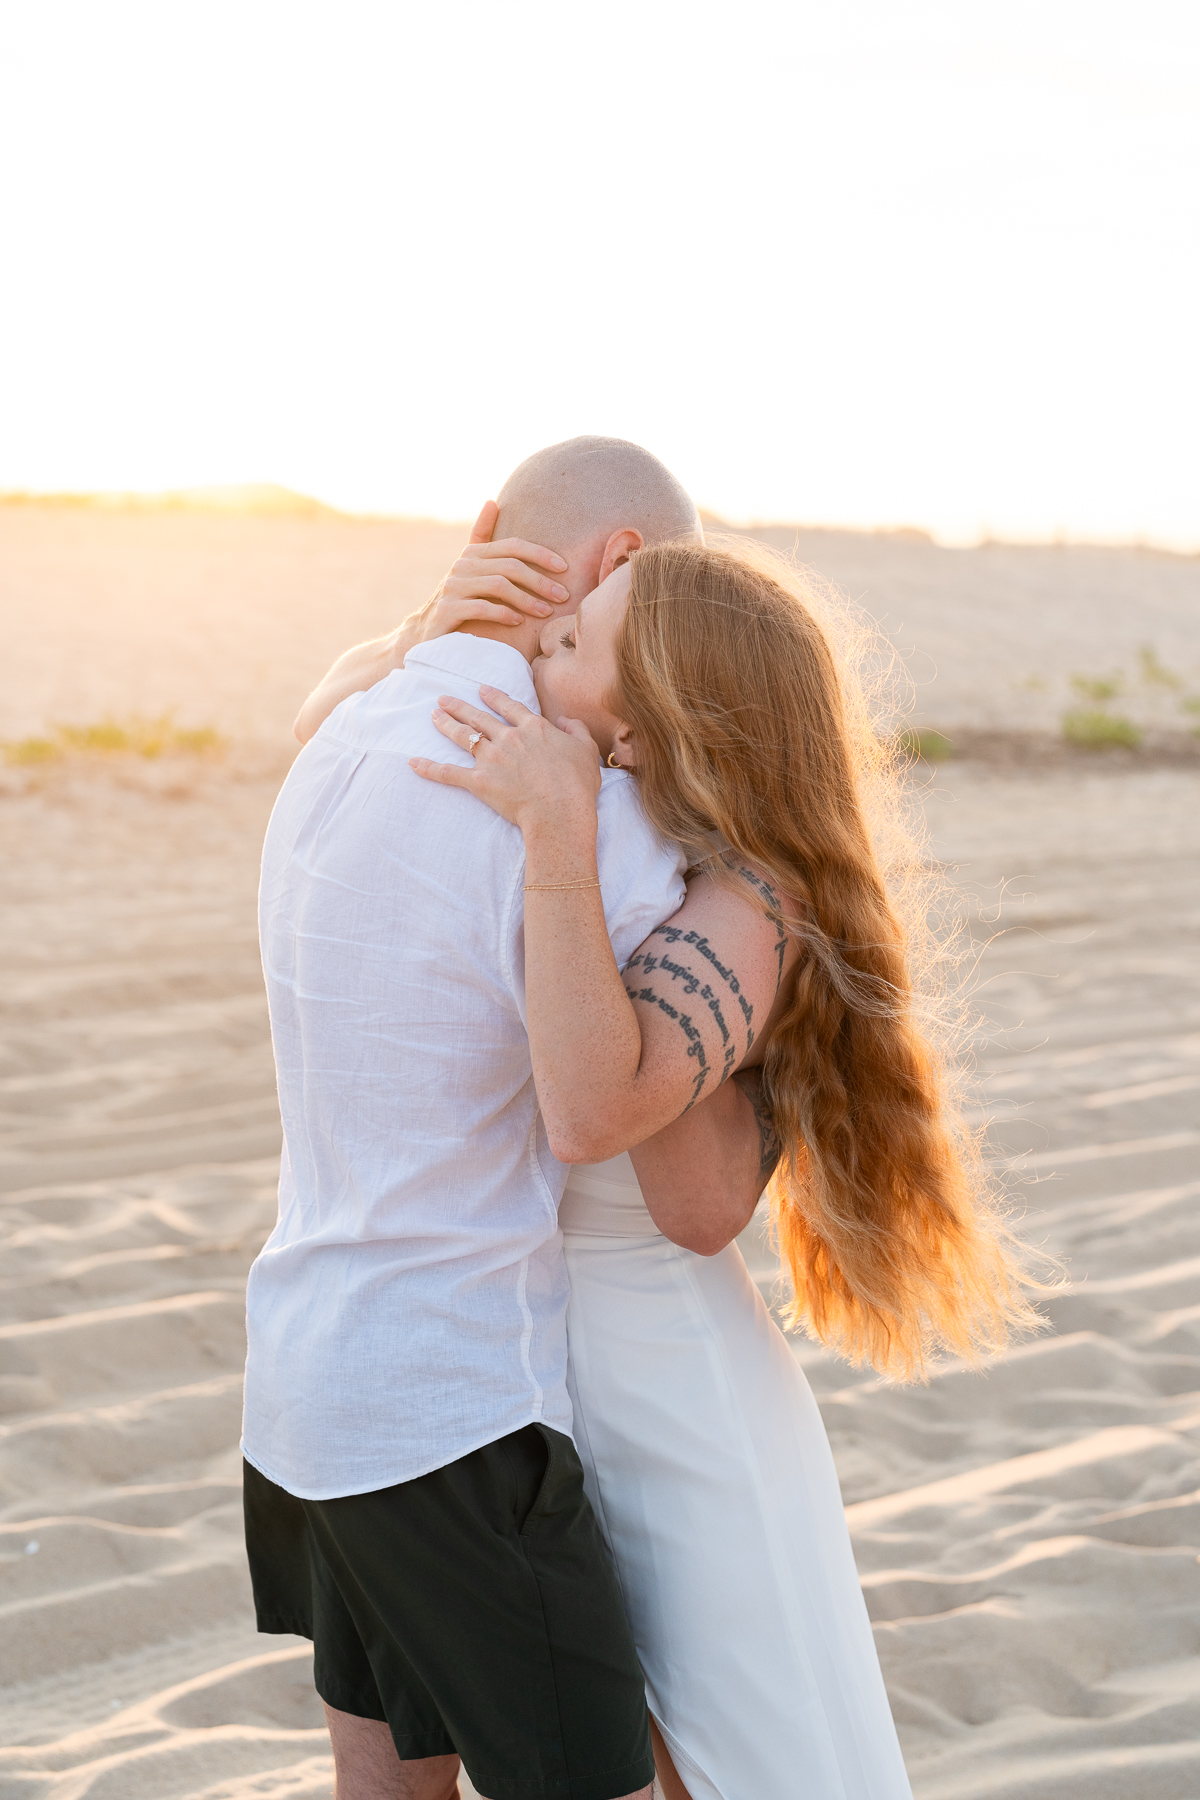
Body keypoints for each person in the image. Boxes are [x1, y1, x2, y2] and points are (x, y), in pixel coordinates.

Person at [412, 539, 1039, 1800]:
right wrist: (415, 633)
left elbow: (682, 1196)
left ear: (648, 729)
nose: (541, 647)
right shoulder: (666, 853)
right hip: (547, 1379)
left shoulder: (752, 901)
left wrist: (559, 832)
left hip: (671, 1404)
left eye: (574, 642)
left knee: (735, 1763)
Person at [242, 436, 768, 1800]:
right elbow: (676, 1163)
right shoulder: (592, 823)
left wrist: (431, 623)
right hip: (453, 1417)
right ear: (628, 576)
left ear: (487, 531)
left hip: (302, 1379)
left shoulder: (340, 731)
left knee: (388, 1779)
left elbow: (347, 688)